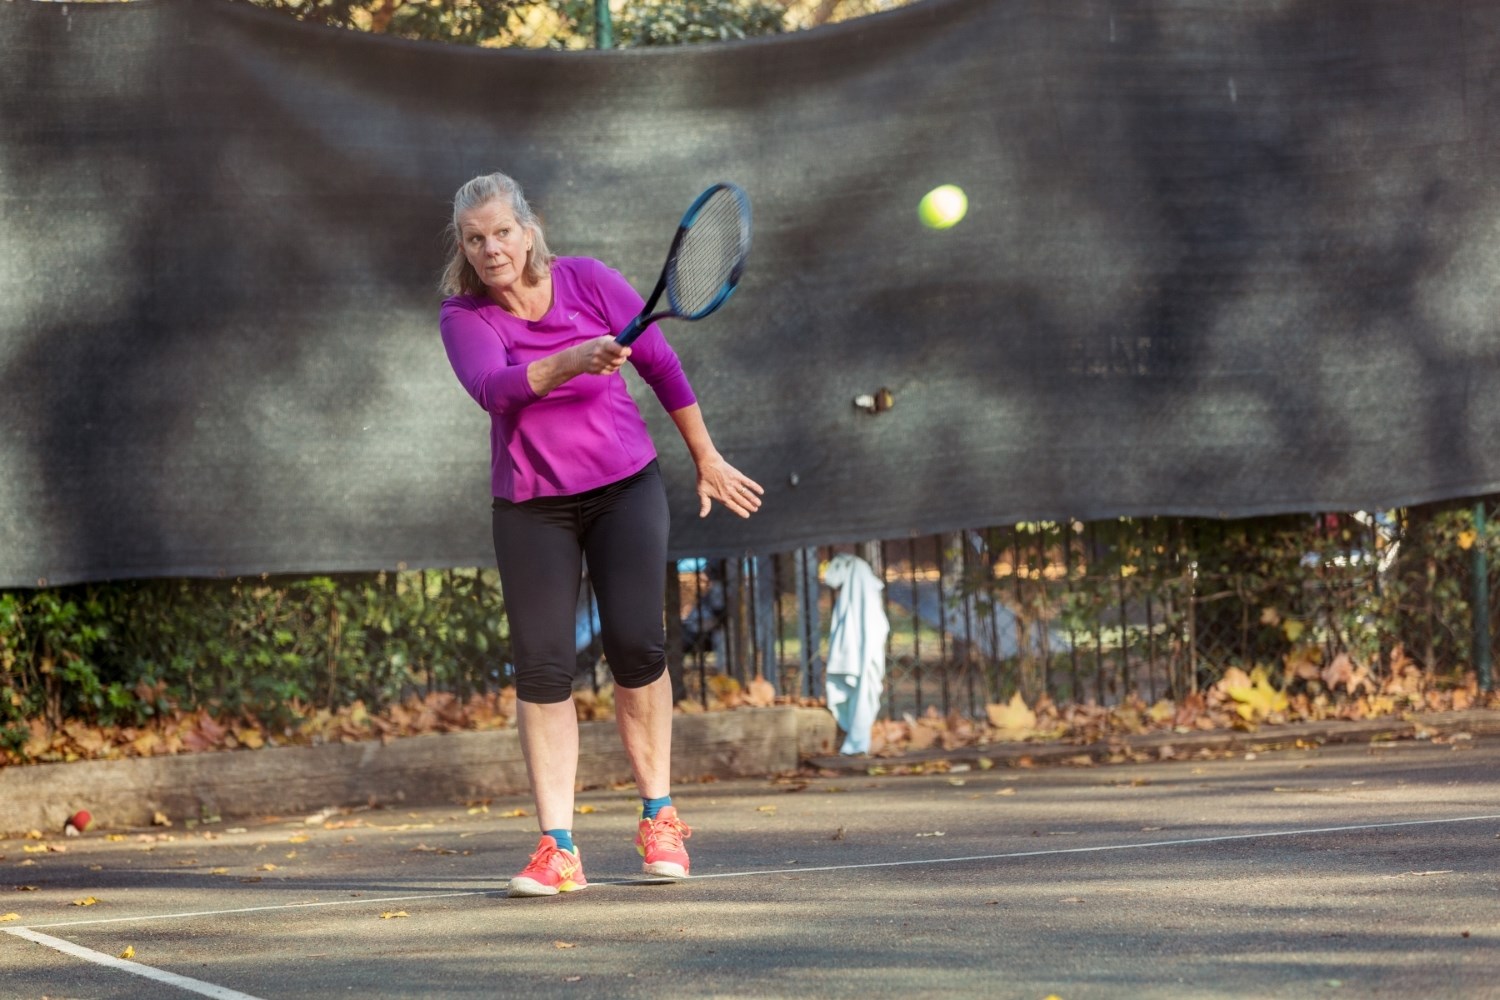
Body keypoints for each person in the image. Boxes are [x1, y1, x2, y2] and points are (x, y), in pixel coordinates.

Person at [438, 171, 763, 898]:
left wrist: (706, 457)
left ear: (528, 230)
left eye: (502, 232)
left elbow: (661, 365)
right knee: (543, 669)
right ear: (463, 248)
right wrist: (573, 359)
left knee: (637, 645)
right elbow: (495, 389)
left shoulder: (588, 281)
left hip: (626, 489)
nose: (491, 249)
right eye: (475, 238)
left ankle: (660, 818)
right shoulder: (463, 317)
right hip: (532, 506)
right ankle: (558, 847)